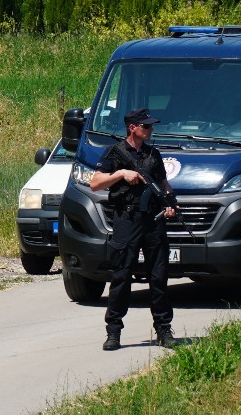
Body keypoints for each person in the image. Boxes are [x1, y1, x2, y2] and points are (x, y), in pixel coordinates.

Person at [90, 108, 178, 351]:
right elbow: (95, 183)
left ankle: (163, 329)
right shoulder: (115, 153)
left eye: (151, 126)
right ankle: (114, 331)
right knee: (121, 275)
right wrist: (120, 174)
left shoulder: (154, 154)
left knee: (159, 277)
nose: (151, 130)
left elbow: (164, 185)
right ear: (132, 128)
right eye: (146, 126)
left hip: (153, 220)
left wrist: (170, 204)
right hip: (126, 220)